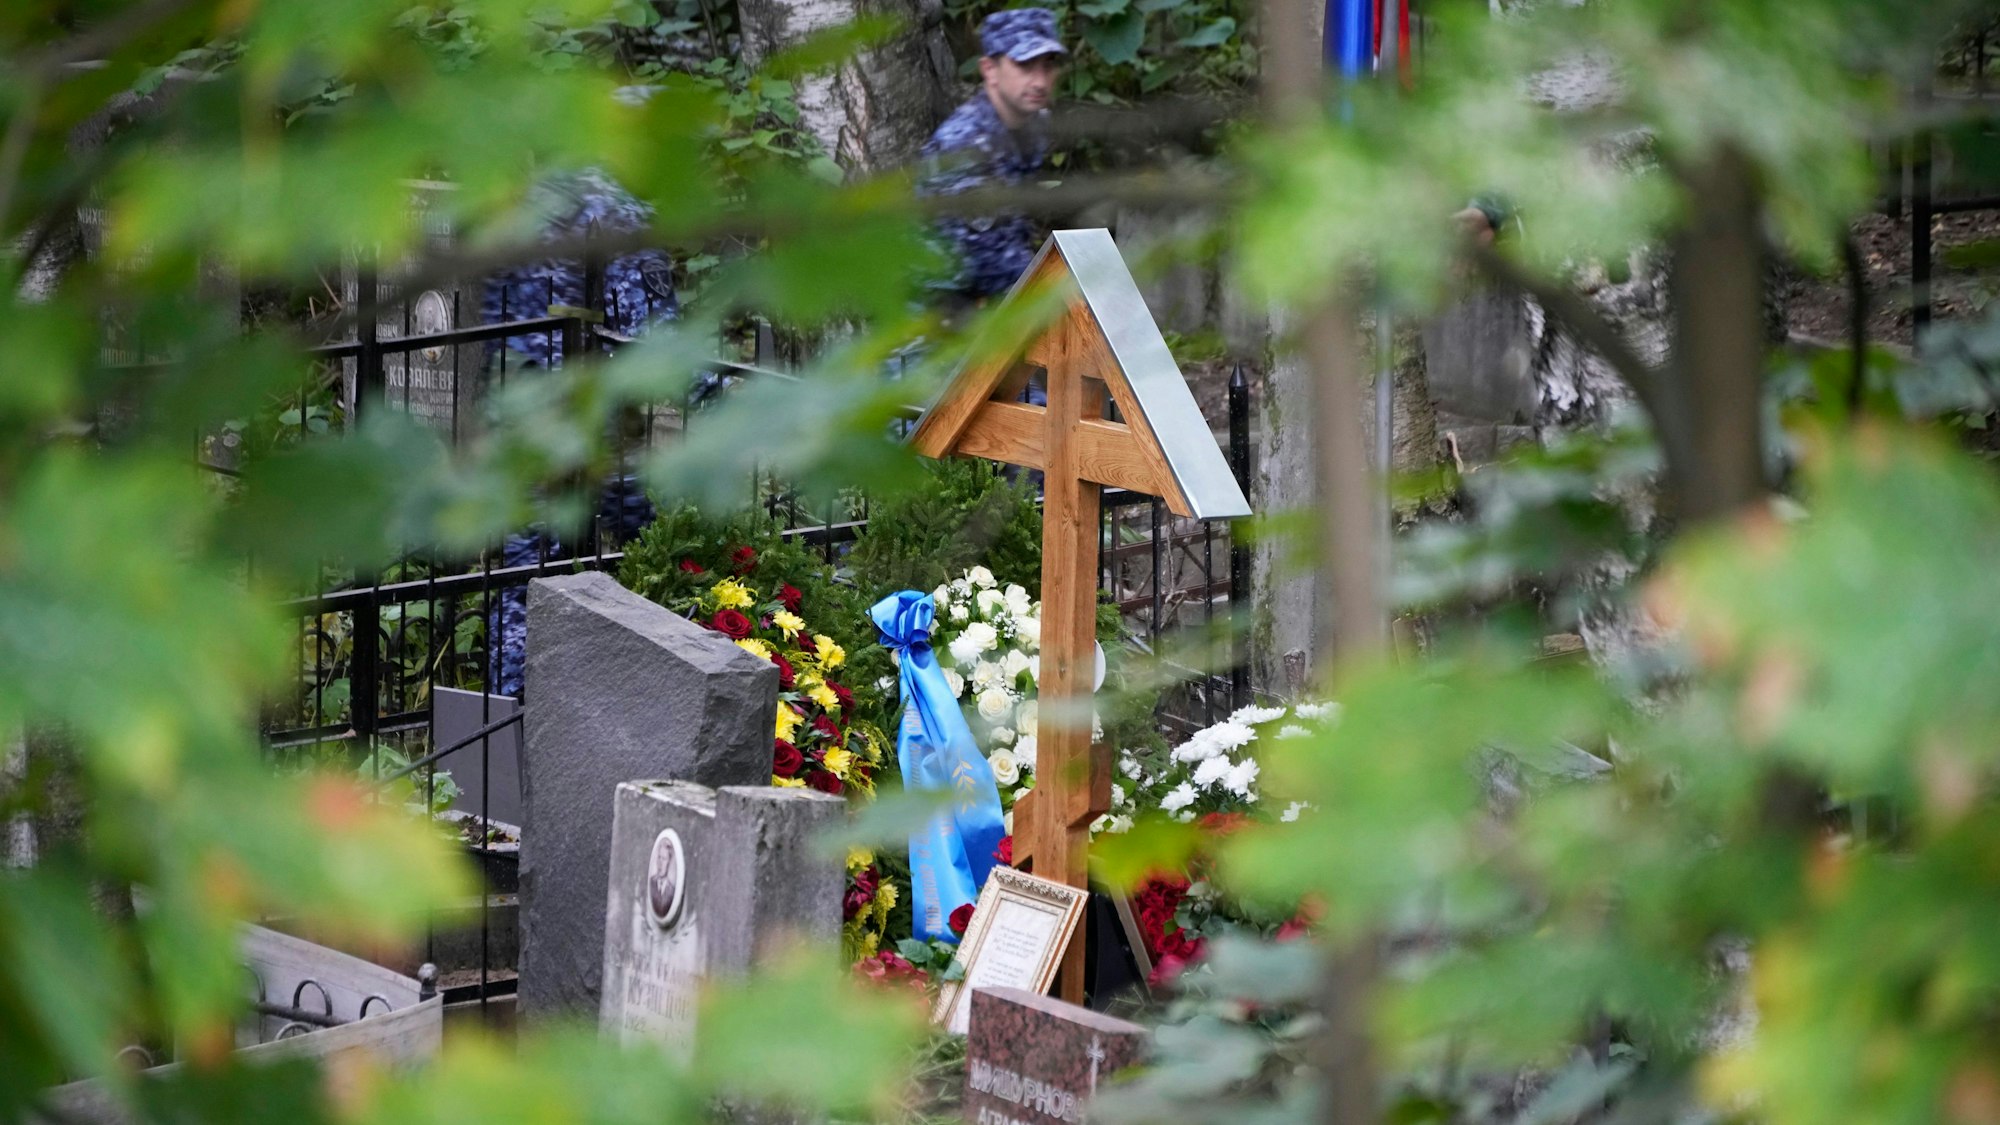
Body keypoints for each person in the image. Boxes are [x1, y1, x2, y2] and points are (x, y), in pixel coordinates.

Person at [916, 8, 1068, 312]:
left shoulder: (1033, 124)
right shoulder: (964, 146)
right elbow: (988, 261)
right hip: (933, 316)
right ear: (990, 70)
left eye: (1048, 65)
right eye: (1024, 65)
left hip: (991, 301)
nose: (1040, 81)